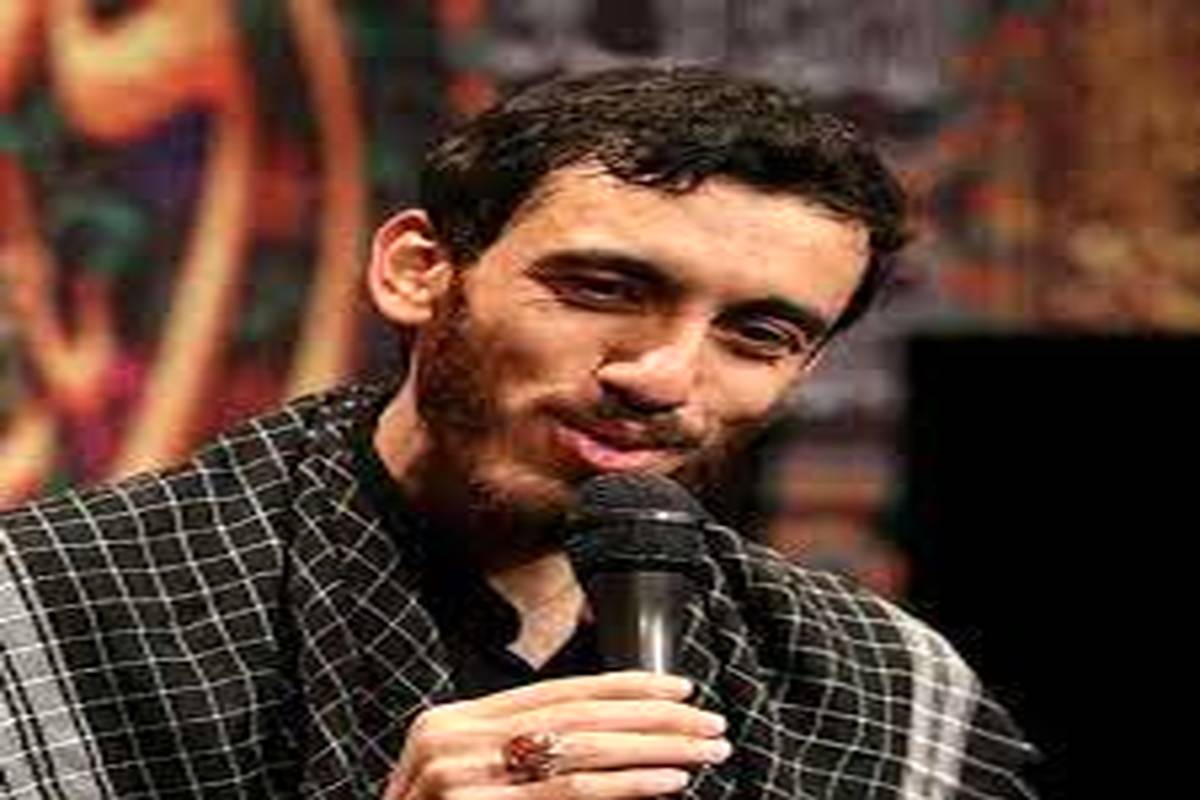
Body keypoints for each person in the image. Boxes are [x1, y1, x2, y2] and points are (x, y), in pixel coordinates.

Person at [0, 67, 1036, 798]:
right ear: (418, 270)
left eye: (756, 335)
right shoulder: (50, 612)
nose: (661, 376)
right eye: (602, 288)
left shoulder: (882, 687)